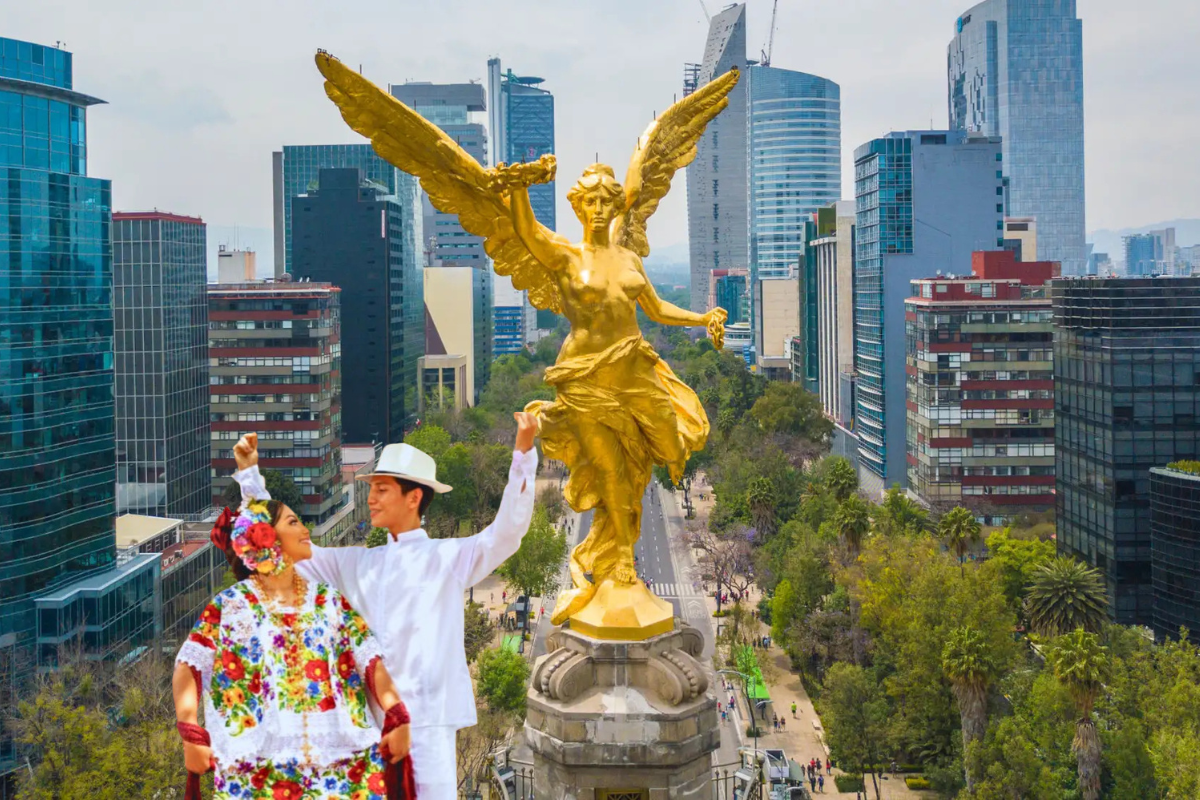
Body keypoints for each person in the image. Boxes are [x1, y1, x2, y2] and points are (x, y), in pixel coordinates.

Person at [231, 413, 538, 800]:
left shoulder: (446, 557)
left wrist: (523, 451)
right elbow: (281, 549)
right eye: (371, 488)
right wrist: (249, 479)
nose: (371, 498)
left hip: (426, 724)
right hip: (365, 728)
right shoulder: (359, 562)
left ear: (414, 497)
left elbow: (506, 534)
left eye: (382, 489)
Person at [173, 446, 413, 799]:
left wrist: (396, 713)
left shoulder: (328, 600)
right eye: (293, 522)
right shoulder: (230, 607)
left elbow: (369, 660)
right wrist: (190, 731)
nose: (304, 528)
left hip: (341, 770)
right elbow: (189, 666)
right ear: (266, 542)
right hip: (258, 773)